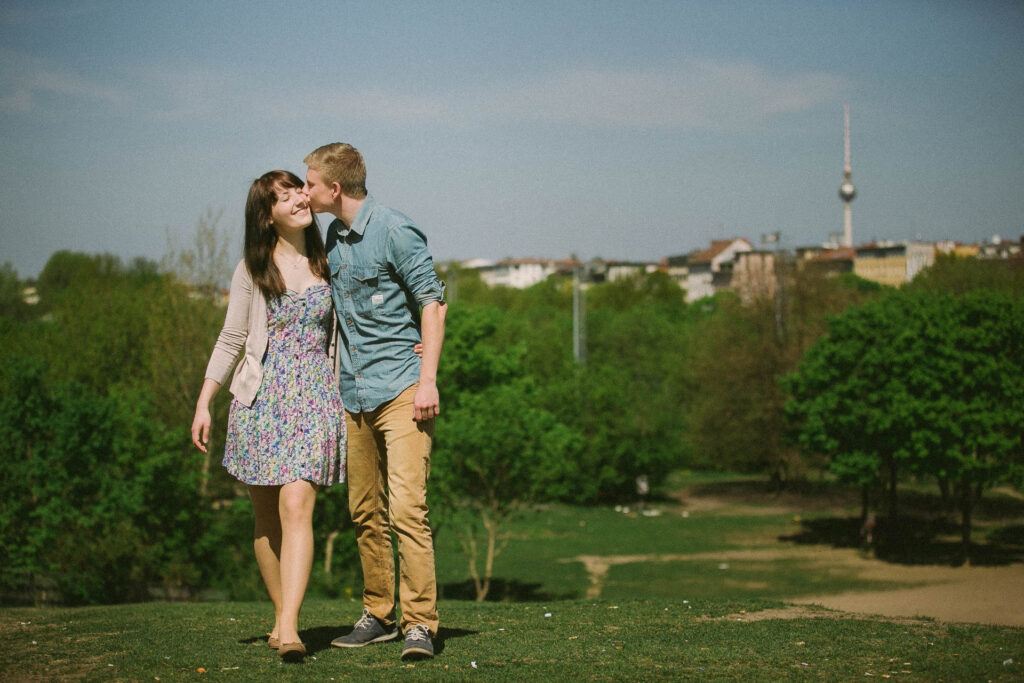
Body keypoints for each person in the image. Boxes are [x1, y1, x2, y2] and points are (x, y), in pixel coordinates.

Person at [191, 170, 344, 663]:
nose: (300, 197)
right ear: (267, 214)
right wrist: (205, 400)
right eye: (285, 196)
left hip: (316, 398)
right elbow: (232, 338)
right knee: (265, 518)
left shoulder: (331, 258)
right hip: (260, 402)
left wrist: (410, 340)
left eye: (299, 188)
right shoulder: (252, 268)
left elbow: (362, 318)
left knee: (297, 506)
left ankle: (291, 627)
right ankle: (281, 615)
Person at [304, 143, 446, 661]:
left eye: (311, 183)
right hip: (354, 393)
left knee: (408, 509)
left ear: (334, 188)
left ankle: (420, 624)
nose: (306, 191)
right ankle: (379, 614)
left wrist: (428, 378)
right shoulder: (332, 237)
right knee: (365, 511)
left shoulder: (394, 229)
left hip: (404, 390)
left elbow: (432, 303)